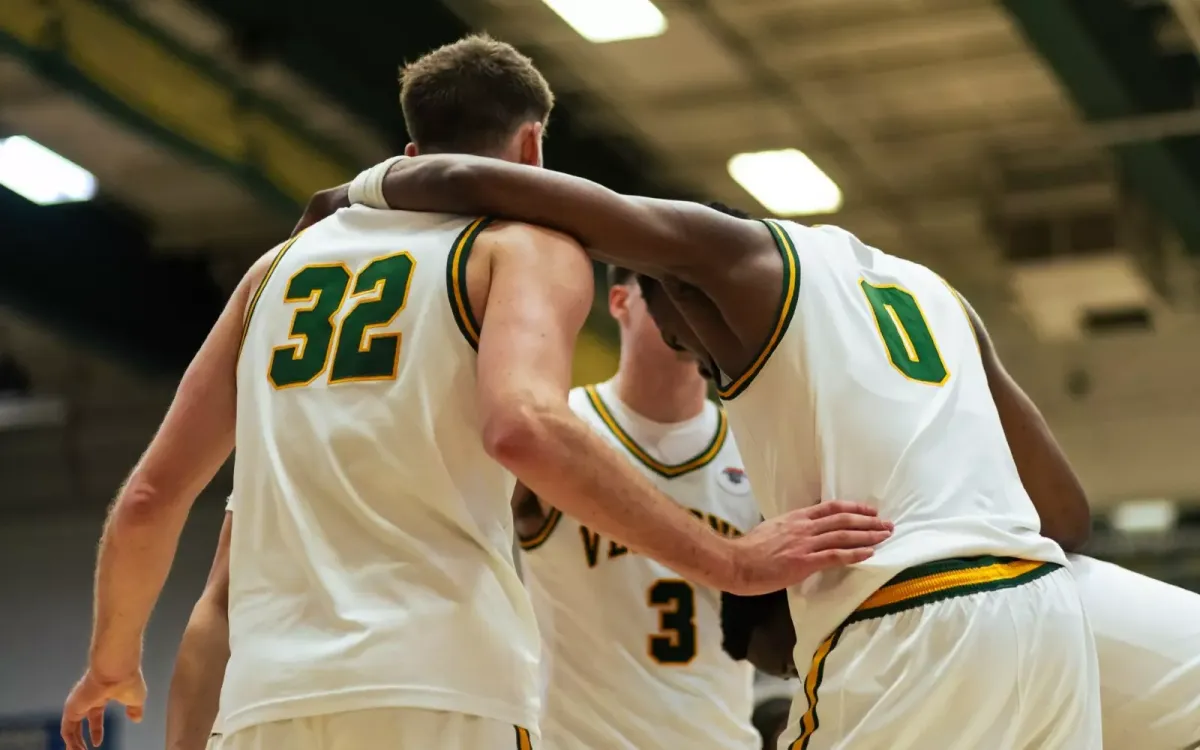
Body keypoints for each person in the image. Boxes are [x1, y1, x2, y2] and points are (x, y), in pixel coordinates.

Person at [60, 36, 893, 750]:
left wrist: (112, 656)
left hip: (268, 701)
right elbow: (524, 428)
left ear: (413, 151)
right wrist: (731, 560)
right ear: (533, 149)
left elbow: (150, 494)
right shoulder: (519, 246)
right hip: (443, 685)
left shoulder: (270, 273)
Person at [298, 150, 1104, 748]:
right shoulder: (929, 293)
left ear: (675, 282)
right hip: (1046, 618)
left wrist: (365, 193)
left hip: (902, 628)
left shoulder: (738, 268)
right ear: (626, 301)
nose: (705, 362)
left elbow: (554, 200)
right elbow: (1064, 515)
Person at [515, 264, 761, 749]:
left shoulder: (755, 444)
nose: (692, 317)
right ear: (620, 302)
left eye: (705, 302)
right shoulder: (556, 427)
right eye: (673, 294)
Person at [726, 554, 1200, 750]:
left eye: (791, 665)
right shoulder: (963, 562)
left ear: (799, 597)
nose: (804, 682)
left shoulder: (904, 641)